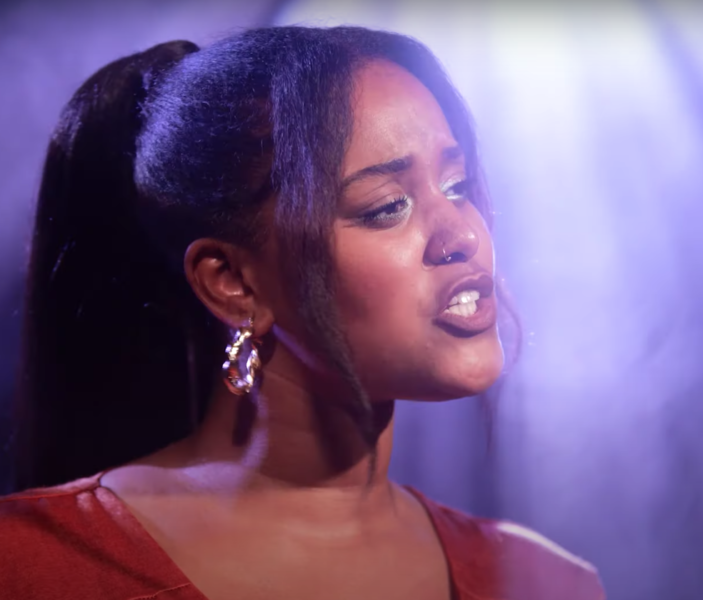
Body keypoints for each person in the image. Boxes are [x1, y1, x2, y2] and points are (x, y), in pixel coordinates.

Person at [0, 26, 605, 600]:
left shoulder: (544, 583)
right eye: (386, 206)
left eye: (456, 185)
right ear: (233, 282)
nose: (461, 235)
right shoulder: (29, 567)